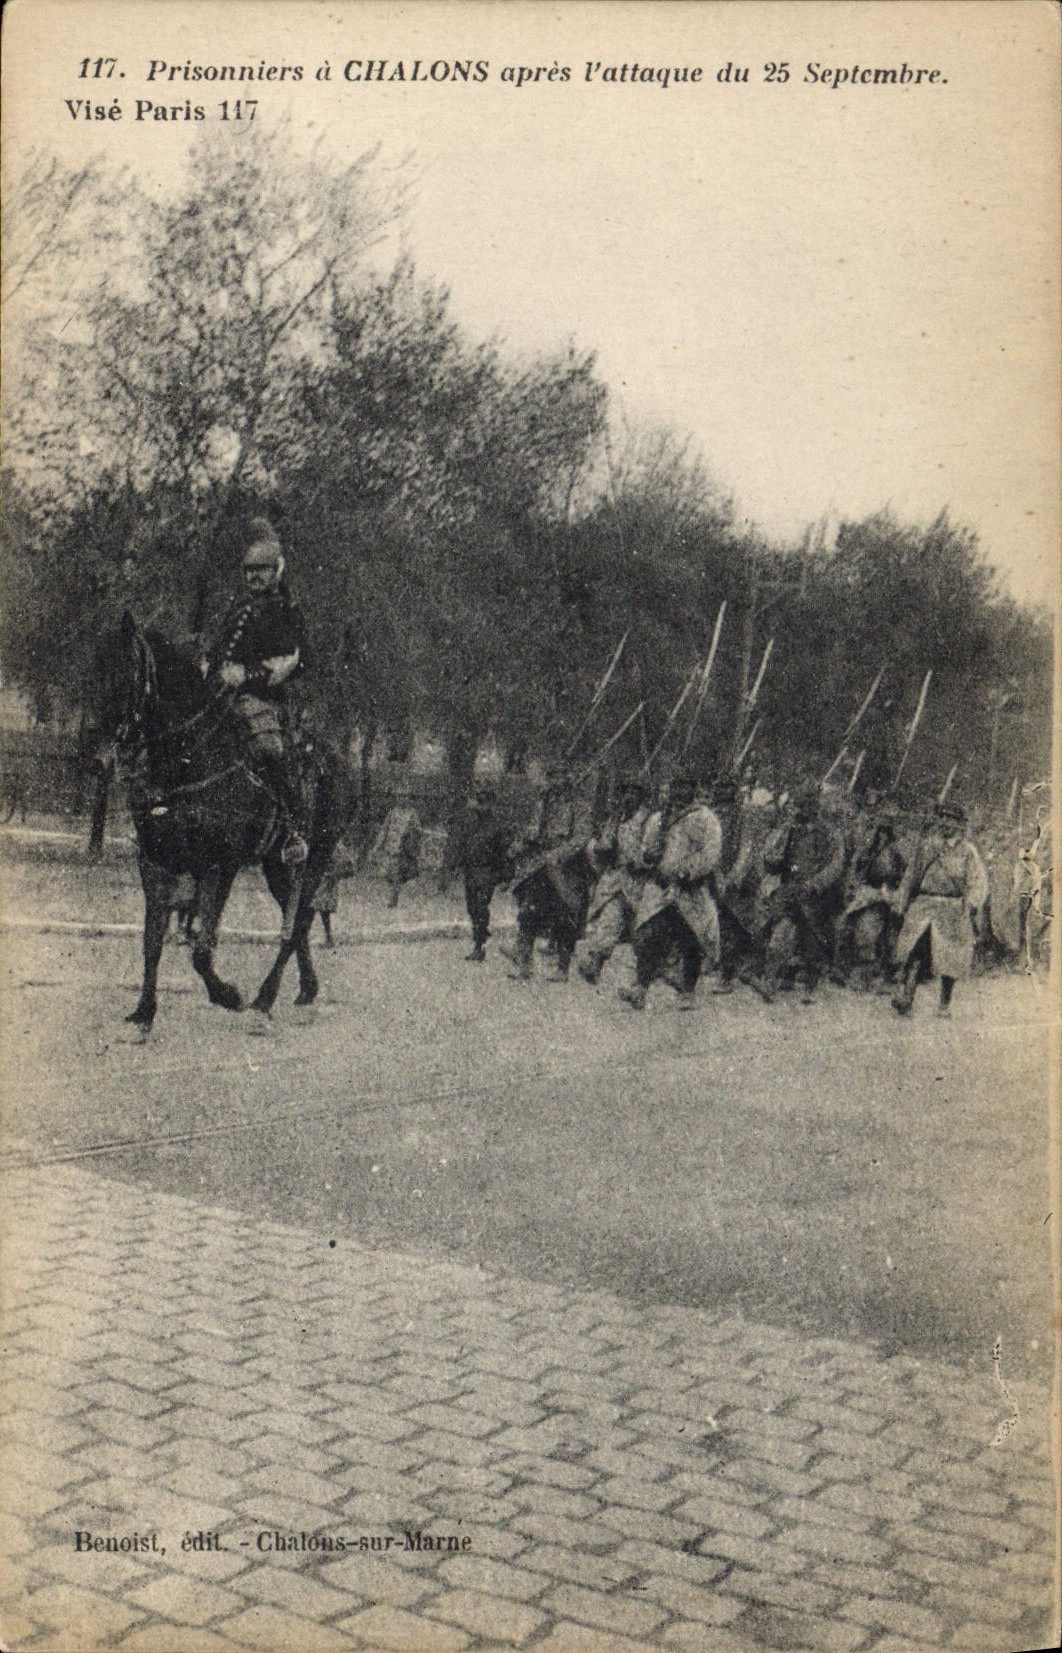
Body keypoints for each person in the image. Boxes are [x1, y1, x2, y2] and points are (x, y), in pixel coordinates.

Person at [206, 518, 309, 864]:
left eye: (262, 570)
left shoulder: (285, 610)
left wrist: (245, 677)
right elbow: (220, 648)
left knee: (268, 748)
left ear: (276, 571)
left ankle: (294, 827)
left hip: (263, 699)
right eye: (249, 571)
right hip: (222, 695)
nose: (254, 577)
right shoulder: (237, 608)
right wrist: (210, 664)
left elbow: (288, 661)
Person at [619, 770, 723, 1010]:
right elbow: (644, 849)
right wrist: (647, 856)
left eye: (685, 787)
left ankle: (688, 991)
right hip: (661, 888)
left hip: (690, 891)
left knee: (692, 940)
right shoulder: (658, 819)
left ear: (693, 789)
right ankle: (640, 989)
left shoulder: (705, 819)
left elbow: (710, 853)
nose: (679, 792)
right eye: (676, 786)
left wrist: (688, 871)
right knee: (647, 935)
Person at [891, 799, 989, 1017]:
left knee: (949, 960)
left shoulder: (967, 851)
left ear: (959, 825)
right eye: (943, 818)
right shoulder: (928, 846)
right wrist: (903, 902)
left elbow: (977, 880)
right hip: (925, 905)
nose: (945, 824)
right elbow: (912, 875)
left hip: (952, 908)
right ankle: (907, 996)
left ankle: (944, 1004)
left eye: (951, 820)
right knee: (916, 950)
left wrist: (972, 904)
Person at [756, 780, 848, 1003]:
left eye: (805, 805)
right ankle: (770, 981)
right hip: (792, 890)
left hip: (817, 896)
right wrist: (772, 860)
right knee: (779, 934)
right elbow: (775, 861)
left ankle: (811, 985)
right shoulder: (790, 830)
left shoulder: (830, 833)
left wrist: (816, 884)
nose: (800, 810)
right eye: (799, 805)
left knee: (813, 941)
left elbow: (836, 865)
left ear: (815, 806)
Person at [506, 761, 591, 982]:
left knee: (565, 917)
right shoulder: (544, 802)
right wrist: (522, 841)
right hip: (542, 864)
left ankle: (562, 968)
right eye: (551, 775)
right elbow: (534, 827)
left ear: (568, 777)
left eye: (559, 776)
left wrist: (560, 853)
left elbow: (581, 837)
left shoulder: (579, 804)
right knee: (529, 909)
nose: (555, 781)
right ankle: (523, 961)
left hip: (567, 869)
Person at [576, 772, 652, 984]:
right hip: (616, 880)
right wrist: (601, 849)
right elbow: (604, 845)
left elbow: (652, 852)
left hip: (640, 883)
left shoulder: (649, 820)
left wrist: (639, 860)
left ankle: (643, 980)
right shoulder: (615, 818)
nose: (629, 796)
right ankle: (596, 964)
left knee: (642, 934)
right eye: (626, 791)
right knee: (610, 921)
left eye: (634, 792)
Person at [454, 781, 512, 961]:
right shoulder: (471, 826)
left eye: (485, 803)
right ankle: (480, 938)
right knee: (472, 908)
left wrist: (507, 877)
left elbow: (505, 853)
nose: (481, 807)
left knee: (480, 908)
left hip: (487, 873)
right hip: (471, 872)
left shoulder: (498, 828)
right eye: (479, 802)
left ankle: (480, 946)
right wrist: (457, 867)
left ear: (491, 805)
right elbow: (464, 847)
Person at [371, 799, 423, 908]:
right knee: (387, 874)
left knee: (396, 874)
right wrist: (378, 846)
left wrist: (412, 838)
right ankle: (394, 893)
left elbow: (417, 831)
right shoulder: (393, 812)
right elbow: (384, 829)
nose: (401, 800)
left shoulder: (412, 814)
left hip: (403, 848)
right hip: (391, 846)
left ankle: (393, 899)